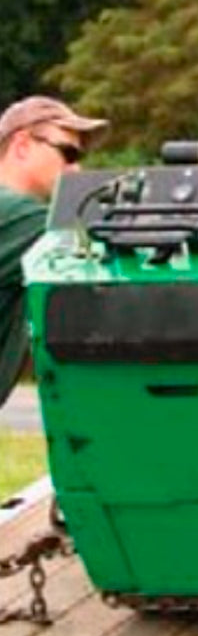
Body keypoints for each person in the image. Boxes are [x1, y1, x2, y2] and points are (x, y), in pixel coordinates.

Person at [0, 97, 108, 406]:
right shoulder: (13, 214)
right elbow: (103, 241)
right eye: (68, 153)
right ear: (23, 146)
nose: (76, 168)